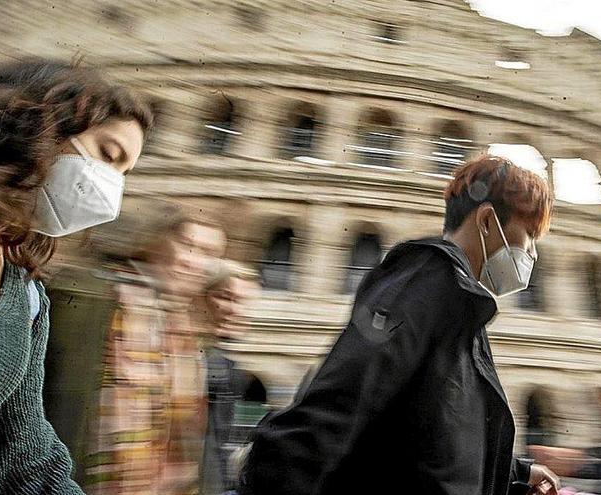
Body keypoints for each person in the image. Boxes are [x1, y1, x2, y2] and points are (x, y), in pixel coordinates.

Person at [239, 155, 561, 495]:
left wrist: (517, 475)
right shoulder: (427, 285)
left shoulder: (461, 305)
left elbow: (437, 439)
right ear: (485, 221)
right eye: (528, 235)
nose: (533, 253)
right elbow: (336, 411)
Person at [0, 59, 154, 493]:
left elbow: (18, 454)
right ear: (41, 123)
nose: (111, 190)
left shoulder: (25, 300)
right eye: (107, 155)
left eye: (124, 175)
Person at [83, 208, 227, 495]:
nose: (193, 262)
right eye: (187, 246)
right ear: (157, 243)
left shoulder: (186, 328)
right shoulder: (109, 301)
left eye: (209, 253)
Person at [196, 262, 262, 495]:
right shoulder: (194, 361)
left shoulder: (226, 370)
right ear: (201, 297)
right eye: (226, 297)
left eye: (244, 302)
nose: (236, 311)